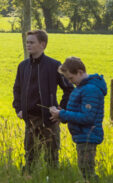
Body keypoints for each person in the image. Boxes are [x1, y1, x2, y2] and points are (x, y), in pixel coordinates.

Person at [12, 29, 72, 169]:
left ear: (43, 44)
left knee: (52, 159)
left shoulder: (54, 65)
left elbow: (69, 88)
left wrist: (61, 110)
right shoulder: (23, 66)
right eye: (27, 42)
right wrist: (19, 109)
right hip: (30, 120)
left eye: (32, 42)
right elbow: (17, 89)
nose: (28, 45)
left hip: (49, 120)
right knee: (30, 158)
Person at [49, 56, 106, 179]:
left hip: (88, 135)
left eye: (71, 78)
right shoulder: (81, 88)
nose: (70, 82)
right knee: (84, 168)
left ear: (80, 72)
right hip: (82, 135)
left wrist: (62, 114)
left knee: (87, 169)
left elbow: (87, 117)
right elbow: (76, 111)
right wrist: (61, 116)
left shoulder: (90, 90)